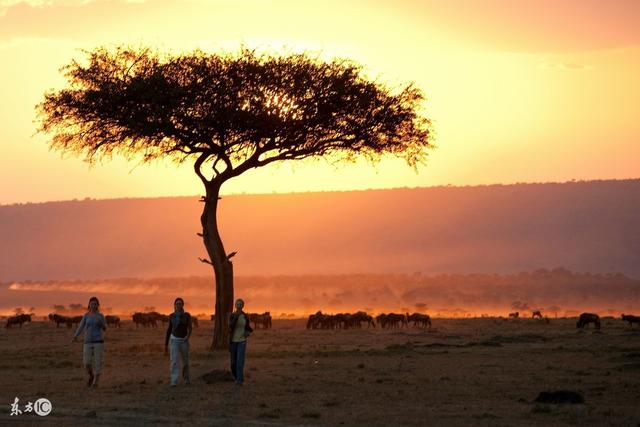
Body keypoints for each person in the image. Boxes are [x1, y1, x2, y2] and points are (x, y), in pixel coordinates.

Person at [72, 296, 107, 388]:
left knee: (98, 362)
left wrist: (102, 324)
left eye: (95, 304)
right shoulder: (86, 316)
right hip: (87, 342)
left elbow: (105, 328)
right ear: (89, 305)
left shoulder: (101, 316)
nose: (93, 306)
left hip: (98, 342)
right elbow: (81, 326)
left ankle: (95, 383)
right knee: (86, 363)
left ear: (98, 305)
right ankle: (91, 375)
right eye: (92, 304)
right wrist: (75, 336)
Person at [164, 297, 192, 386]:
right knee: (174, 361)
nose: (178, 305)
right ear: (174, 305)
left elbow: (190, 328)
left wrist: (188, 336)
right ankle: (174, 381)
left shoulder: (187, 315)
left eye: (180, 303)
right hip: (174, 340)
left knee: (185, 361)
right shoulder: (171, 316)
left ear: (183, 305)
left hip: (184, 340)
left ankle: (186, 379)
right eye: (177, 304)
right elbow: (169, 329)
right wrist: (166, 344)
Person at [229, 298, 253, 385]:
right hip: (233, 341)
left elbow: (248, 327)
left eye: (240, 304)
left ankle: (239, 381)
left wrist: (248, 333)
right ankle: (238, 377)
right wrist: (236, 316)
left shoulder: (245, 316)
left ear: (243, 306)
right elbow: (230, 326)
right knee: (233, 363)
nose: (239, 306)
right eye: (237, 304)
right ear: (235, 305)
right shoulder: (232, 315)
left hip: (242, 341)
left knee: (240, 361)